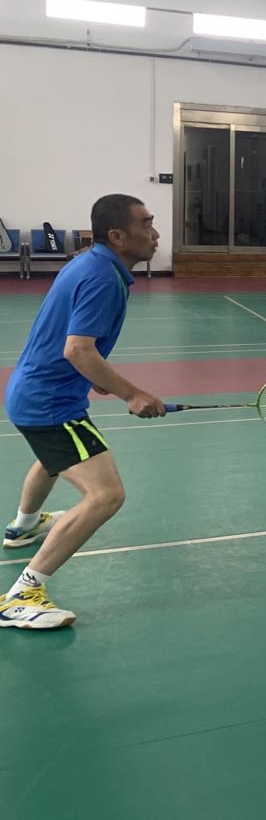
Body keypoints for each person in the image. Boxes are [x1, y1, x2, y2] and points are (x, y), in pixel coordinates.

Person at [2, 195, 166, 630]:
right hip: (50, 404)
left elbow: (71, 343)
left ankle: (22, 527)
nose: (155, 234)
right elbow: (77, 349)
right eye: (146, 225)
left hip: (31, 391)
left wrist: (93, 376)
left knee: (53, 460)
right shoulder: (102, 278)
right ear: (117, 236)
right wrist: (132, 393)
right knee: (106, 495)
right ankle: (21, 595)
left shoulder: (90, 263)